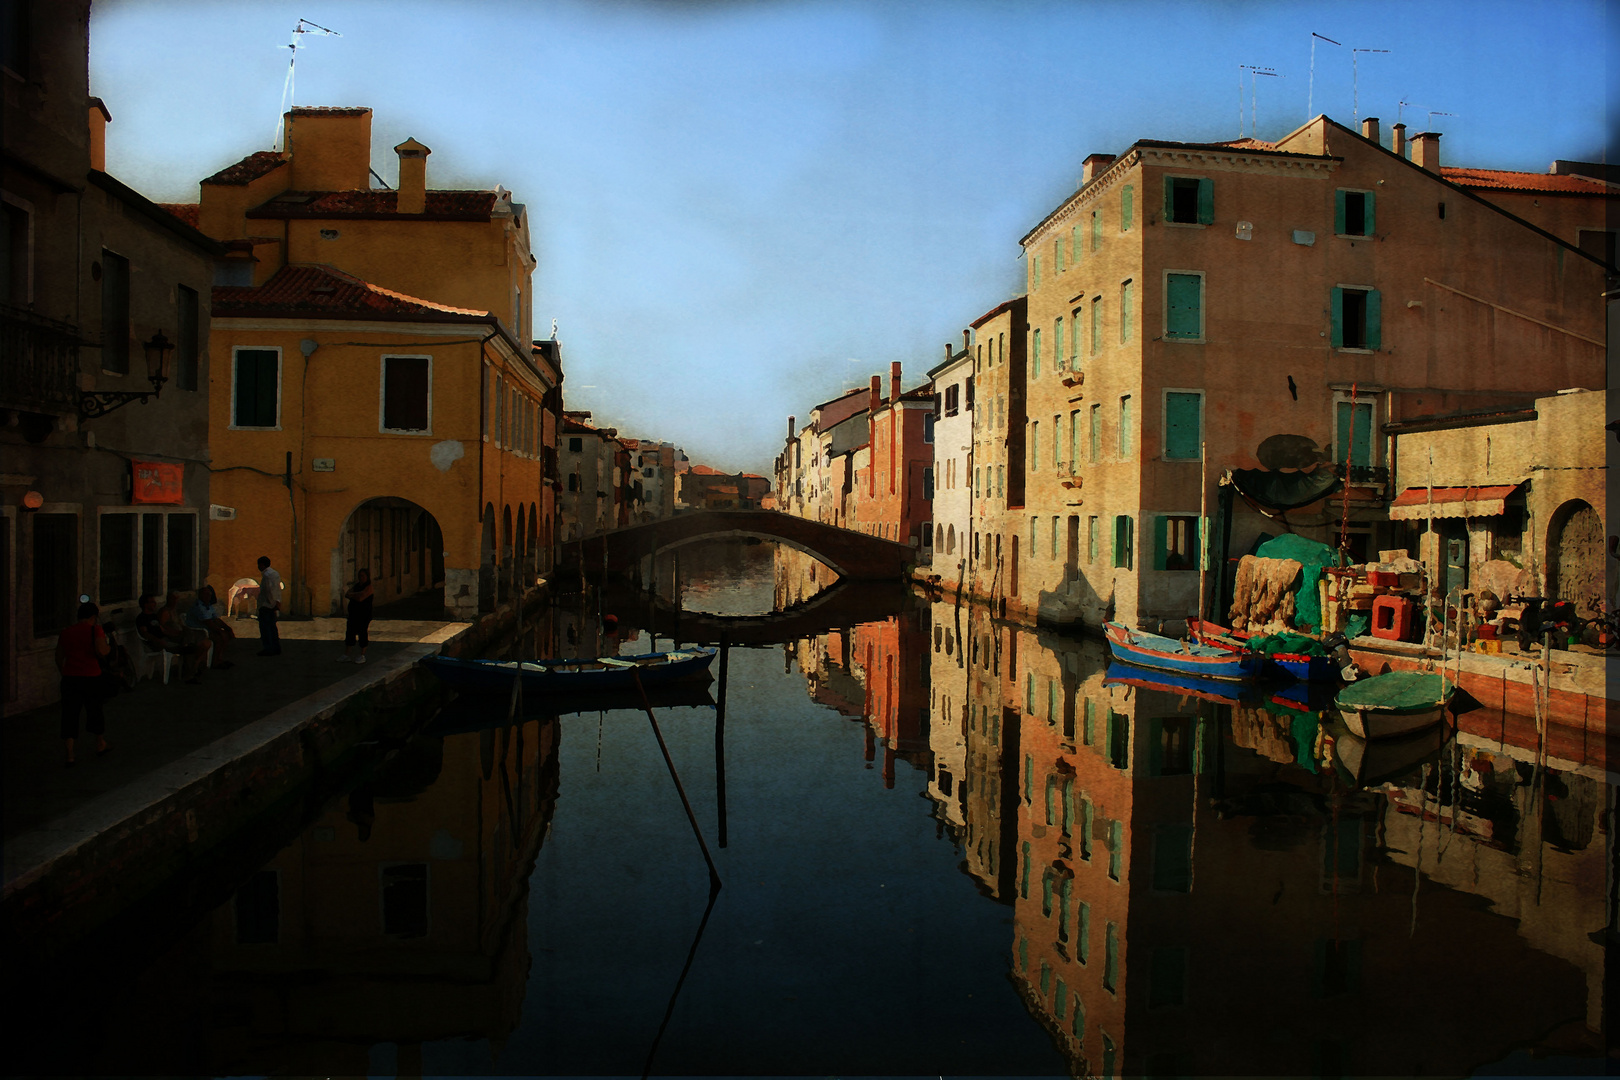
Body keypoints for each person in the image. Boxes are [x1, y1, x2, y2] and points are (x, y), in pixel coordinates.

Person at [57, 601, 110, 766]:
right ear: (93, 617)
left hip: (70, 678)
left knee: (69, 715)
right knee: (95, 711)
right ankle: (100, 744)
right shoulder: (95, 630)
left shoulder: (66, 632)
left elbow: (59, 657)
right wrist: (108, 647)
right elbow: (102, 651)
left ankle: (70, 754)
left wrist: (65, 672)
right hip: (91, 677)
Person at [159, 590, 209, 683]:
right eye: (173, 599)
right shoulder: (165, 612)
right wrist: (177, 632)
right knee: (191, 648)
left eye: (176, 599)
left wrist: (185, 629)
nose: (175, 602)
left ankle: (195, 666)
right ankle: (189, 673)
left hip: (182, 634)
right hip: (174, 638)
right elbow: (163, 628)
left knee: (205, 642)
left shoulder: (174, 610)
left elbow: (181, 624)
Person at [188, 584, 236, 669]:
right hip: (199, 632)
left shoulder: (208, 606)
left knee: (226, 635)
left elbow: (216, 619)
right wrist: (220, 631)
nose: (208, 597)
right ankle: (215, 661)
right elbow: (208, 622)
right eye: (206, 595)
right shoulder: (199, 607)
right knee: (219, 637)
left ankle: (219, 659)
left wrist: (227, 628)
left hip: (207, 629)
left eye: (209, 595)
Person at [337, 567, 374, 664]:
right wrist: (356, 594)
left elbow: (361, 598)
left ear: (367, 577)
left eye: (362, 576)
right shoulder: (357, 586)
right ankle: (347, 654)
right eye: (359, 576)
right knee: (350, 632)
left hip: (364, 614)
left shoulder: (368, 587)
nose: (361, 578)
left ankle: (362, 655)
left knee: (362, 633)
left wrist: (354, 595)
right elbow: (347, 594)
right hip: (353, 614)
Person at [256, 556, 283, 656]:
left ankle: (268, 648)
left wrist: (270, 604)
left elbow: (269, 591)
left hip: (266, 605)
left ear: (262, 565)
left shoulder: (267, 575)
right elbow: (277, 590)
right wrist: (277, 603)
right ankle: (276, 647)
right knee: (272, 627)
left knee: (265, 628)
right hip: (273, 604)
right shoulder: (275, 573)